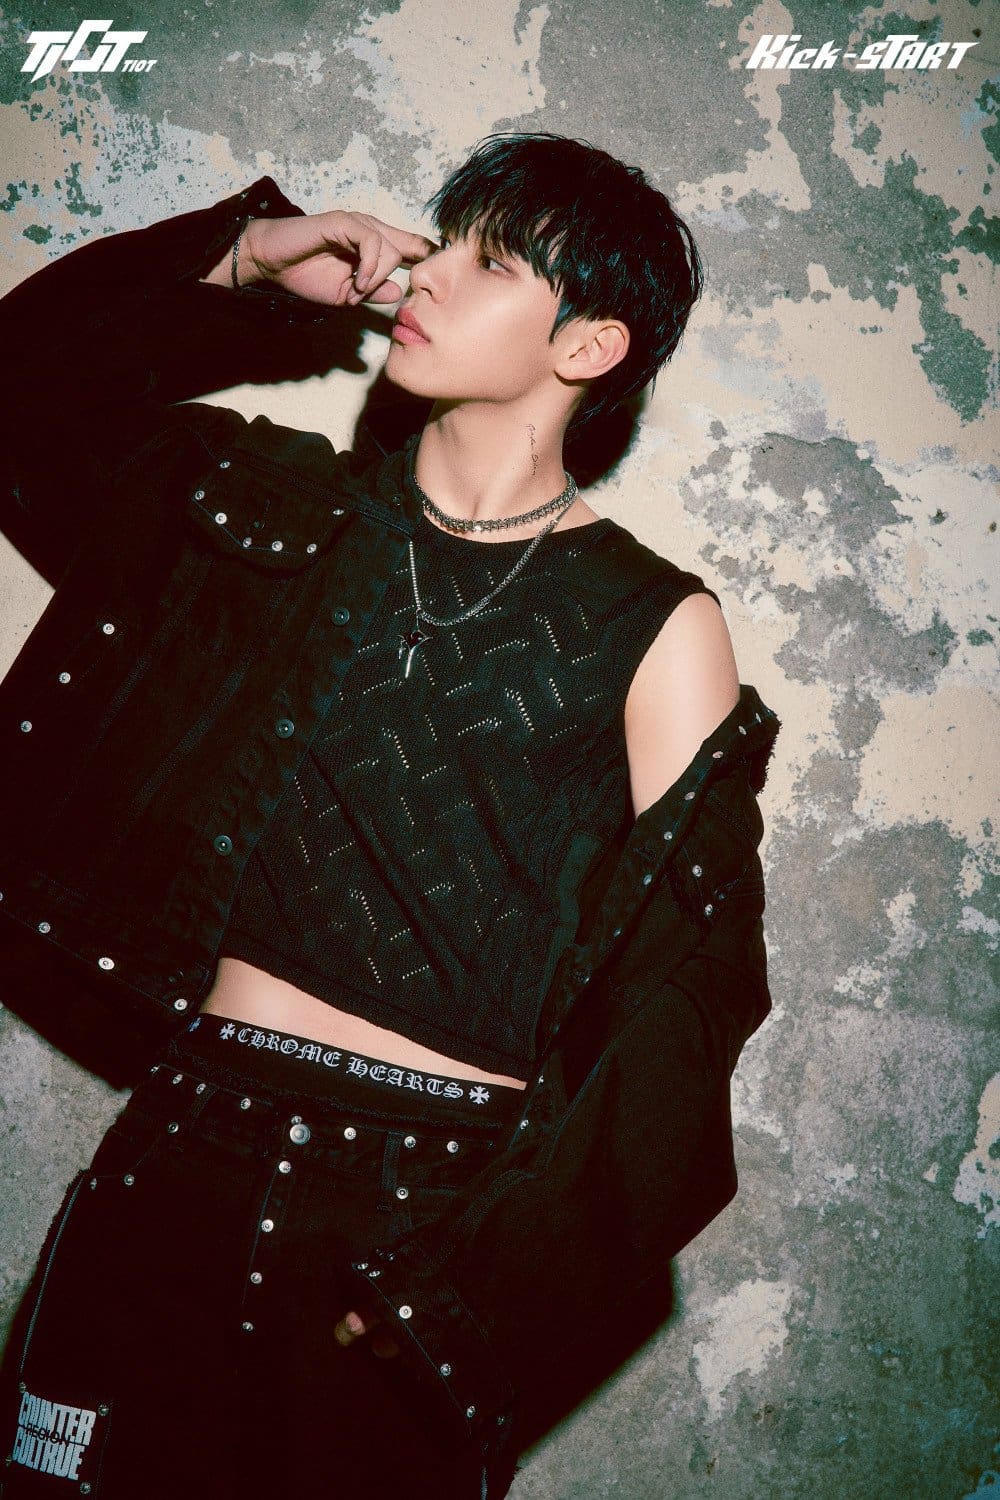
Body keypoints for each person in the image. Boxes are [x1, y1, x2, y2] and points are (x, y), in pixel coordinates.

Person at [0, 132, 780, 1498]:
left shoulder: (655, 623)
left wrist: (480, 1293)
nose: (426, 272)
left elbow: (692, 993)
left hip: (414, 1217)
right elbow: (23, 389)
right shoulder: (266, 516)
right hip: (179, 1160)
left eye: (493, 261)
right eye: (443, 238)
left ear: (590, 345)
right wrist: (242, 262)